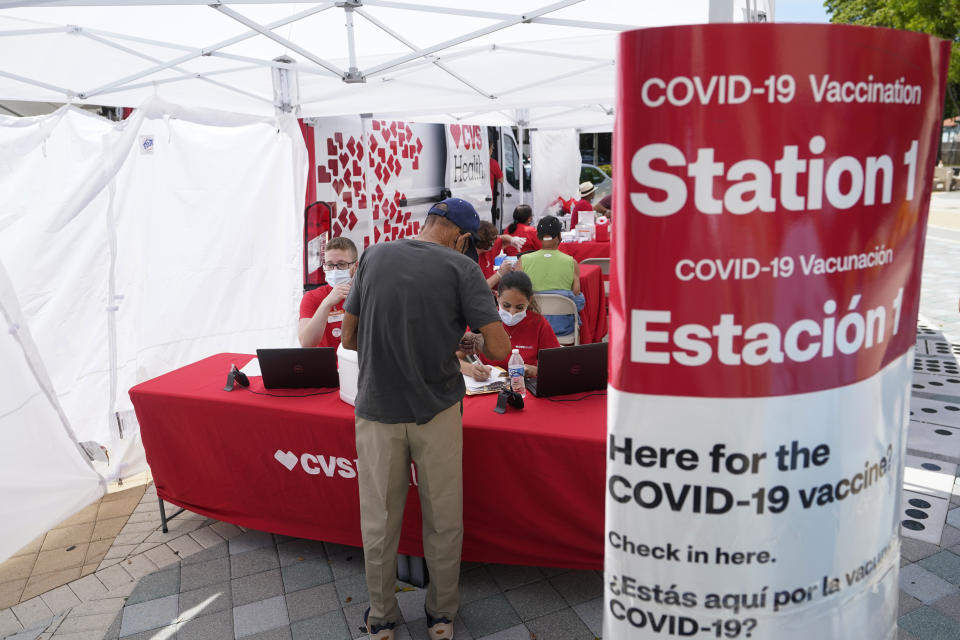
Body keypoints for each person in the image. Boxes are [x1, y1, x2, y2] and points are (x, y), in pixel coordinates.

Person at [341, 198, 511, 640]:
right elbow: (499, 350)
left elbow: (349, 336)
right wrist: (458, 335)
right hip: (436, 411)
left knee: (378, 519)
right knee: (443, 516)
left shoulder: (374, 254)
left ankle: (380, 618)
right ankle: (441, 615)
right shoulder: (463, 269)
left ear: (428, 223)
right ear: (462, 238)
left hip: (376, 408)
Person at [460, 271, 561, 381]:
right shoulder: (484, 321)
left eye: (519, 307)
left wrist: (533, 370)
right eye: (506, 305)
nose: (512, 312)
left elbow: (556, 365)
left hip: (525, 386)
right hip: (489, 385)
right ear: (497, 297)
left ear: (529, 301)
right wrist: (471, 369)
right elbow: (450, 358)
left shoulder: (538, 323)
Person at [519, 216, 585, 339]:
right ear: (560, 236)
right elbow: (578, 301)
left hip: (532, 328)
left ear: (538, 236)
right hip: (564, 328)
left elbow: (517, 296)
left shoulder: (523, 261)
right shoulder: (571, 262)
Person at [298, 236, 358, 348]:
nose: (335, 270)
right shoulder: (312, 297)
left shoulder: (365, 295)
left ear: (355, 267)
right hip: (325, 364)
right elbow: (306, 343)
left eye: (341, 264)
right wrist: (327, 303)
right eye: (330, 265)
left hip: (355, 364)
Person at [475, 221, 519, 289]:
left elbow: (502, 238)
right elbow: (479, 289)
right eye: (492, 240)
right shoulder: (470, 260)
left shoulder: (488, 248)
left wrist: (512, 240)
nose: (495, 242)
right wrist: (499, 273)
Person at [489, 143, 503, 223]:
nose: (492, 150)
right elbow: (501, 180)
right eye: (492, 148)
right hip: (487, 198)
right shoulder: (492, 163)